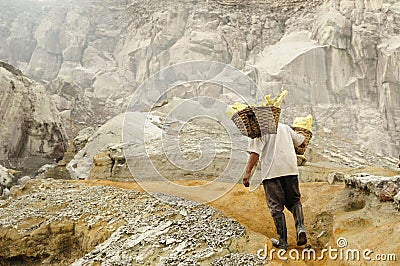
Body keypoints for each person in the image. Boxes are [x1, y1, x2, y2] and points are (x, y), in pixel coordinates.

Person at [242, 123, 307, 250]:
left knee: (276, 206)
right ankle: (300, 228)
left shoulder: (260, 131)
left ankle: (282, 241)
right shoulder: (284, 127)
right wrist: (301, 143)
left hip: (272, 173)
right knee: (294, 200)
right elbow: (301, 142)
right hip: (290, 169)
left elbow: (255, 153)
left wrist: (247, 172)